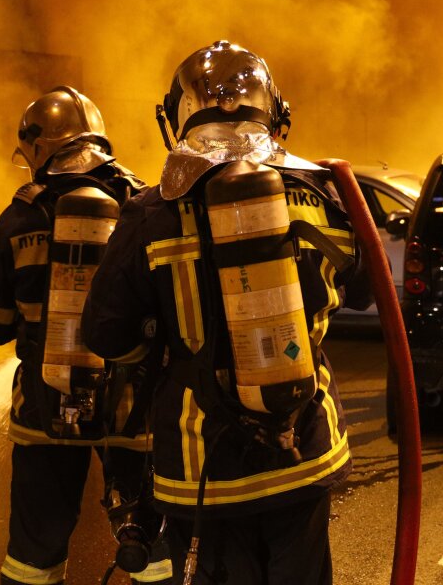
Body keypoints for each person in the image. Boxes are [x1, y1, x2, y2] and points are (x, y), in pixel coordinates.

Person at [81, 40, 371, 584]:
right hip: (304, 448)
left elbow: (105, 332)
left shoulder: (151, 214)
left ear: (176, 120)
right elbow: (360, 292)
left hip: (204, 460)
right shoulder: (323, 194)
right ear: (277, 113)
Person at [0, 86, 150, 585]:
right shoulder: (144, 204)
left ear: (39, 147)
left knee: (34, 553)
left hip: (43, 411)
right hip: (133, 408)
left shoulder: (20, 216)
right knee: (152, 546)